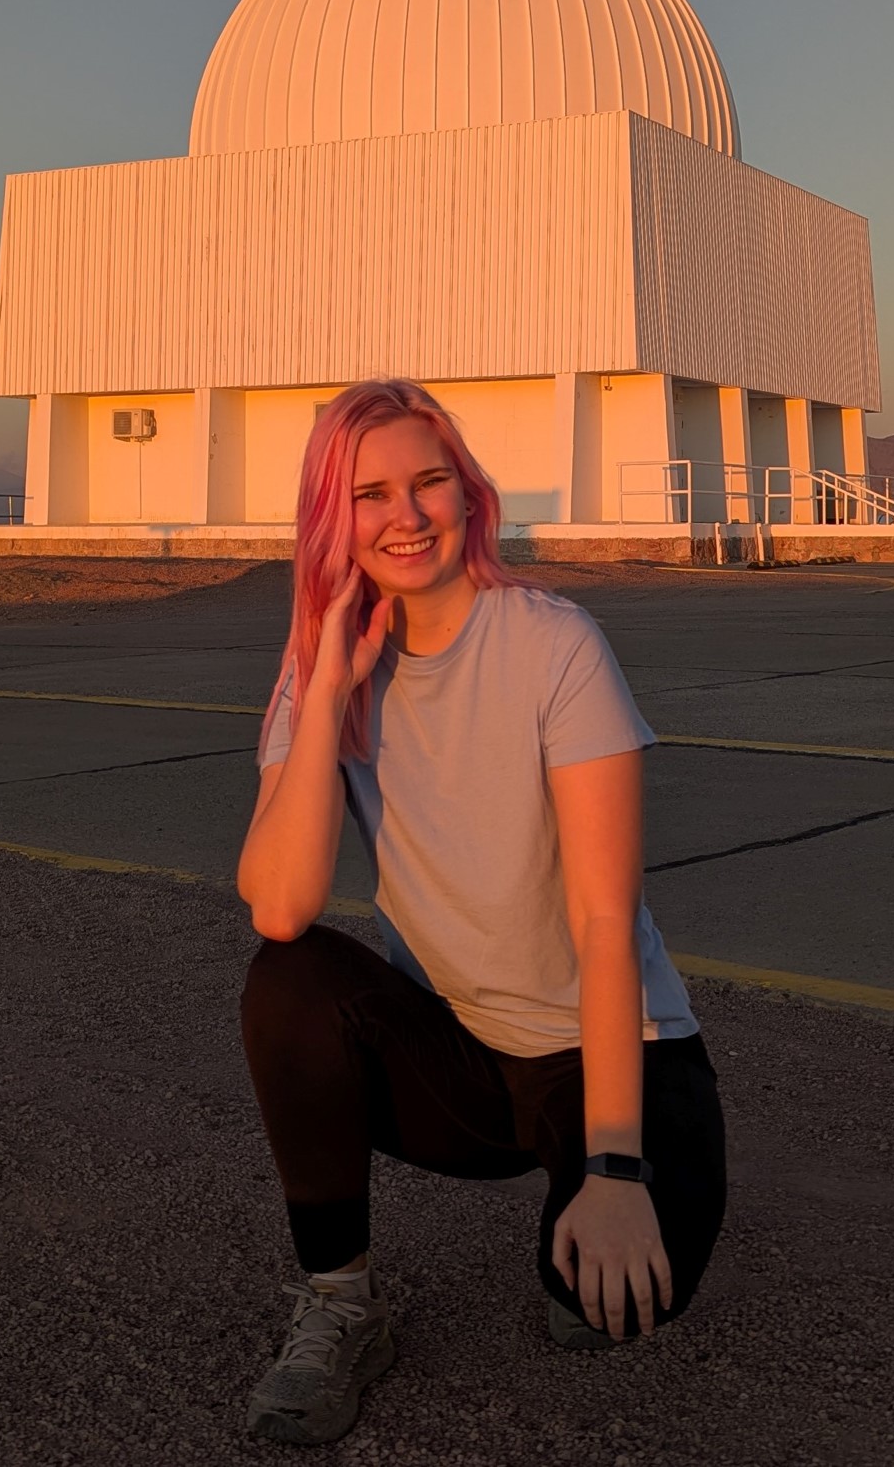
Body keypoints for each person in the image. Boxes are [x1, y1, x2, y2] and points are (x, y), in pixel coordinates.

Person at [235, 379, 727, 1446]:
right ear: (333, 517)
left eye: (429, 482)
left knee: (602, 1314)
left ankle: (612, 1175)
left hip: (614, 1057)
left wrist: (613, 1169)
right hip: (465, 1052)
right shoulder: (320, 672)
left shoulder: (554, 645)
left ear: (470, 494)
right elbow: (281, 903)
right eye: (370, 494)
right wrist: (326, 694)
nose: (405, 516)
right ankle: (339, 1308)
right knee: (290, 979)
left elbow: (605, 922)